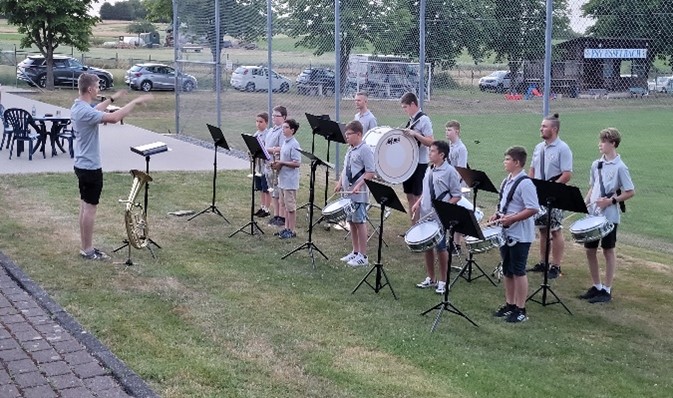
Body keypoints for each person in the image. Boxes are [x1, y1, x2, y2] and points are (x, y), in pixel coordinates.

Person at [71, 73, 153, 260]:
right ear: (90, 89)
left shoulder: (79, 106)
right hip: (90, 168)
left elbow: (96, 109)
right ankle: (88, 249)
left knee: (85, 206)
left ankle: (86, 246)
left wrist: (112, 98)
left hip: (82, 165)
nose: (99, 89)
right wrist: (134, 102)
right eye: (98, 86)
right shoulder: (84, 111)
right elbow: (115, 118)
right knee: (89, 208)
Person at [579, 128, 635, 303]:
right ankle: (596, 286)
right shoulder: (596, 164)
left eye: (604, 141)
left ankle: (607, 290)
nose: (600, 144)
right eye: (600, 140)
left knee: (608, 250)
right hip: (593, 214)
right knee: (589, 250)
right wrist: (586, 203)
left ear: (613, 144)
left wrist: (610, 202)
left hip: (609, 215)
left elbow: (630, 191)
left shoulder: (620, 167)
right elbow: (593, 186)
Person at [490, 146, 539, 323]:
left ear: (517, 162)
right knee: (508, 270)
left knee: (519, 271)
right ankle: (509, 304)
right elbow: (503, 203)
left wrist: (513, 219)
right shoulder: (506, 181)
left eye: (507, 159)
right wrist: (498, 214)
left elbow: (533, 208)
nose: (505, 162)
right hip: (506, 232)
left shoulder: (526, 183)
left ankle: (521, 308)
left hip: (520, 235)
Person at [411, 141, 462, 294]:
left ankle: (443, 281)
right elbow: (426, 191)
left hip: (439, 217)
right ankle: (431, 278)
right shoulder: (429, 169)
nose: (429, 153)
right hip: (426, 213)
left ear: (442, 155)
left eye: (433, 151)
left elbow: (457, 195)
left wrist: (443, 209)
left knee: (441, 248)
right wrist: (418, 203)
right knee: (427, 246)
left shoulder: (450, 172)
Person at [528, 113, 573, 279]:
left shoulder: (563, 148)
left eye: (544, 126)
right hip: (539, 194)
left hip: (554, 196)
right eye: (541, 126)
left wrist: (553, 188)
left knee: (555, 230)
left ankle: (556, 265)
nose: (541, 129)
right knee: (543, 230)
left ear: (554, 129)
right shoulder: (539, 147)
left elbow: (567, 174)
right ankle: (543, 262)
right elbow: (532, 169)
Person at [335, 120, 376, 267]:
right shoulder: (350, 149)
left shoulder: (365, 149)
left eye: (349, 134)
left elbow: (370, 172)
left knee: (360, 222)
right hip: (347, 194)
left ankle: (363, 256)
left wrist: (358, 185)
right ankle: (355, 251)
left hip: (359, 194)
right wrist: (340, 183)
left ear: (359, 134)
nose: (347, 137)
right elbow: (346, 168)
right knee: (351, 222)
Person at [400, 92, 434, 225]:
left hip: (420, 163)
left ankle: (420, 226)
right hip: (409, 162)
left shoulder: (424, 119)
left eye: (405, 107)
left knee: (417, 195)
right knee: (409, 195)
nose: (405, 110)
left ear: (413, 104)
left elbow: (431, 141)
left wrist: (415, 134)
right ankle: (413, 225)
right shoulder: (411, 119)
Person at [272, 118, 302, 239]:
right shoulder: (285, 142)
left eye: (286, 128)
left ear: (292, 130)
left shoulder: (294, 144)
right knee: (283, 205)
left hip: (290, 181)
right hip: (282, 179)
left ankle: (292, 230)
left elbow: (297, 163)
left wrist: (282, 162)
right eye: (283, 127)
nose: (283, 130)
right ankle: (286, 228)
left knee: (290, 207)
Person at [445, 120, 469, 254]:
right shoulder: (450, 146)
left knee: (458, 215)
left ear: (457, 131)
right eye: (446, 130)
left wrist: (454, 186)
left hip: (458, 185)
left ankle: (457, 244)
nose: (447, 133)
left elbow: (461, 169)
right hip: (449, 184)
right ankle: (451, 240)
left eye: (450, 130)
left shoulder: (461, 148)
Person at [265, 106, 287, 227]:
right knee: (273, 191)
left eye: (277, 116)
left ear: (283, 117)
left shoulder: (282, 131)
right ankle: (276, 214)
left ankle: (282, 217)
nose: (274, 118)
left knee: (279, 191)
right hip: (269, 164)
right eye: (273, 115)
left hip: (277, 164)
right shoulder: (272, 130)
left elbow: (283, 148)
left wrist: (267, 150)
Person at [252, 112, 271, 218]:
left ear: (266, 123)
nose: (258, 124)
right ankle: (262, 206)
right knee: (260, 188)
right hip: (258, 166)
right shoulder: (256, 134)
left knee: (266, 188)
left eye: (261, 122)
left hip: (265, 166)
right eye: (257, 121)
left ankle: (267, 208)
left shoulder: (267, 135)